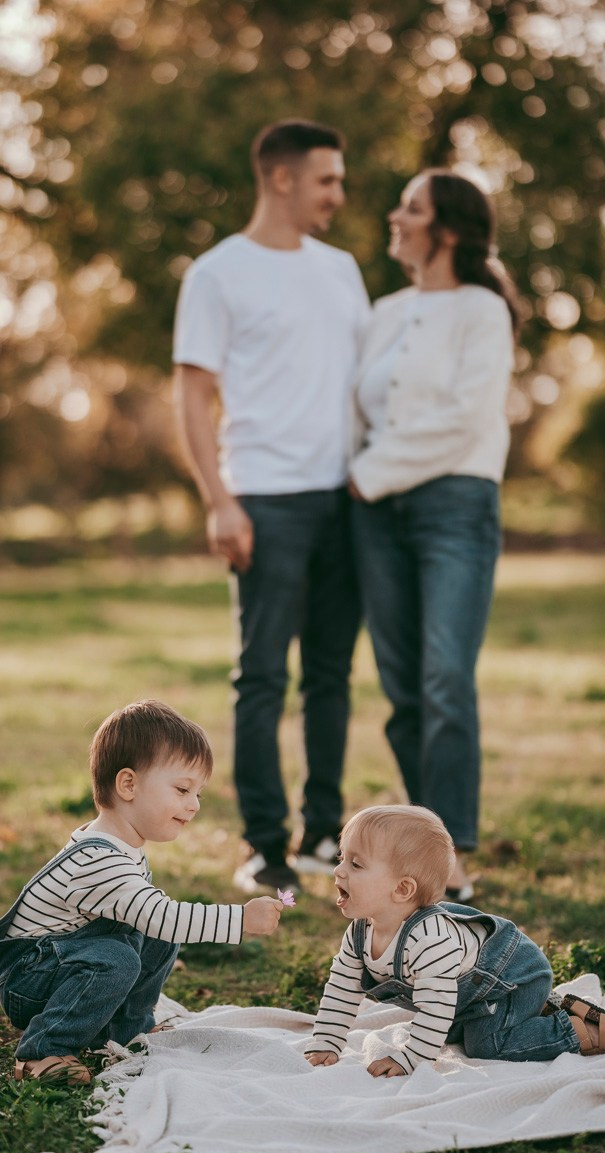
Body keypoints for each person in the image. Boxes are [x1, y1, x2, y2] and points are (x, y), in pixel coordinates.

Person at [173, 119, 371, 895]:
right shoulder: (218, 274)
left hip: (344, 500)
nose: (339, 195)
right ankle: (266, 848)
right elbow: (191, 394)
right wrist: (219, 499)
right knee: (261, 677)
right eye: (328, 180)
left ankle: (325, 834)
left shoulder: (343, 270)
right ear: (282, 179)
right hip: (263, 496)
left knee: (331, 674)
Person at [347, 169, 521, 902]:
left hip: (453, 502)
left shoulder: (484, 310)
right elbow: (359, 407)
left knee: (446, 678)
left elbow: (465, 416)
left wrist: (370, 471)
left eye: (410, 208)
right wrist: (359, 478)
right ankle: (431, 849)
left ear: (445, 230)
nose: (396, 216)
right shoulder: (384, 311)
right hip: (376, 515)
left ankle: (449, 864)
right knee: (404, 688)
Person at [0, 699, 284, 1085]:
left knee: (153, 937)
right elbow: (166, 916)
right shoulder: (98, 858)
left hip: (61, 960)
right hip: (29, 977)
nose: (193, 805)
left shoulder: (124, 844)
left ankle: (123, 1031)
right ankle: (42, 1051)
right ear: (128, 784)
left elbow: (153, 922)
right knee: (119, 956)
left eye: (198, 794)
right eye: (182, 789)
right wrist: (240, 919)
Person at [305, 806, 605, 1076]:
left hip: (514, 978)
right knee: (450, 1035)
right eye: (341, 858)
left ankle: (578, 1029)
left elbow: (435, 1008)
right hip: (468, 995)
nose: (338, 871)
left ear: (402, 889)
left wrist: (409, 1061)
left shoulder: (429, 939)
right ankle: (535, 1012)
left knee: (487, 1045)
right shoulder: (360, 933)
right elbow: (341, 988)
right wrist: (326, 1042)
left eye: (356, 863)